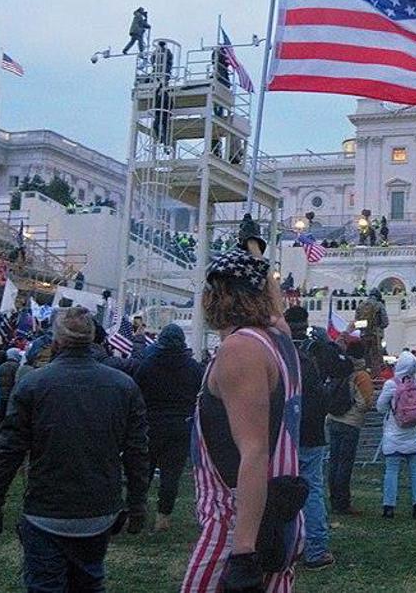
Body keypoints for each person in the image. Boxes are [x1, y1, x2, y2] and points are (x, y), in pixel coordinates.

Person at [0, 307, 150, 592]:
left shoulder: (33, 384)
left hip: (47, 509)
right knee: (89, 582)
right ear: (93, 339)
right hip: (98, 510)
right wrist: (137, 503)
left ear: (56, 342)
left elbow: (8, 450)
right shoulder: (123, 386)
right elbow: (137, 452)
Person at [180, 248, 305, 592]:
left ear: (216, 296)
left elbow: (254, 453)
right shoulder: (279, 340)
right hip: (281, 517)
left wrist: (243, 554)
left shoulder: (241, 350)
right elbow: (276, 311)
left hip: (237, 521)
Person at [132, 323, 202, 532]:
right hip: (180, 426)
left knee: (143, 471)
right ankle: (163, 516)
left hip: (150, 424)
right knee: (171, 474)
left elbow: (136, 393)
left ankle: (138, 512)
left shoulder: (147, 365)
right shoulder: (193, 368)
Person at [284, 305, 337, 569]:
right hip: (312, 433)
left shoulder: (278, 354)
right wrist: (327, 343)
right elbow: (342, 367)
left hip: (284, 434)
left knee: (280, 490)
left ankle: (281, 548)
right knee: (312, 491)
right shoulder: (315, 353)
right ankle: (315, 549)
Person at [376, 350, 416, 519]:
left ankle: (389, 506)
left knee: (391, 470)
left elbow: (380, 406)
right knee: (415, 470)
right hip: (413, 432)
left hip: (394, 431)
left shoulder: (392, 384)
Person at [326, 349, 374, 516]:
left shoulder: (338, 371)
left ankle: (334, 500)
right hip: (350, 423)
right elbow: (365, 403)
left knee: (334, 462)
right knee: (345, 464)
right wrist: (353, 411)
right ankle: (343, 503)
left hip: (333, 420)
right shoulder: (361, 376)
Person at [355, 290, 388, 374]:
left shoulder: (361, 305)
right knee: (376, 357)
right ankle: (376, 375)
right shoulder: (379, 305)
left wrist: (364, 328)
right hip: (375, 335)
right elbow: (385, 322)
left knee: (364, 356)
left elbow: (357, 322)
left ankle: (365, 373)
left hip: (363, 335)